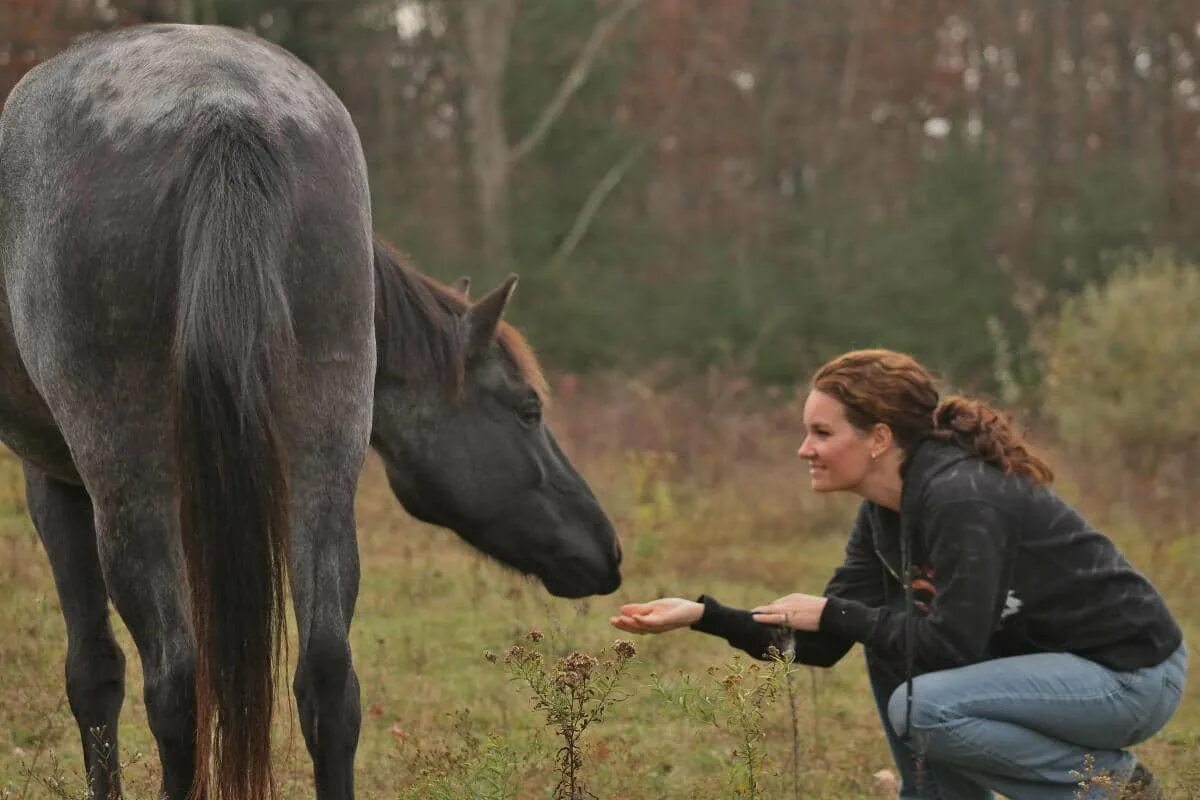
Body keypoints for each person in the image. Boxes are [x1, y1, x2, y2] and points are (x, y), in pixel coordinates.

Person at [610, 349, 1186, 800]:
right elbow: (826, 642)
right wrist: (705, 615)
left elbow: (953, 644)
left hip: (1127, 676)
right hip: (1049, 676)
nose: (802, 449)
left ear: (879, 438)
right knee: (890, 639)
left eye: (822, 433)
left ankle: (1112, 789)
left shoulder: (963, 499)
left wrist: (841, 613)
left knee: (923, 702)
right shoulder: (885, 511)